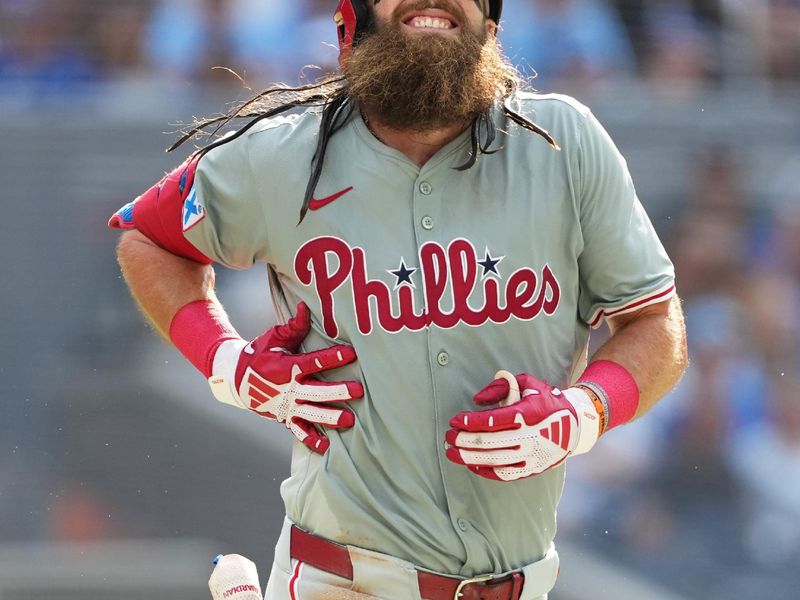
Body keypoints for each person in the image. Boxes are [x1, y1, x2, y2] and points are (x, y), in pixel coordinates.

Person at [109, 1, 688, 598]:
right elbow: (148, 238)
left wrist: (583, 414)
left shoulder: (566, 143)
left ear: (490, 23)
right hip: (343, 581)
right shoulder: (282, 153)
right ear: (351, 19)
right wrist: (226, 364)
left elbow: (655, 321)